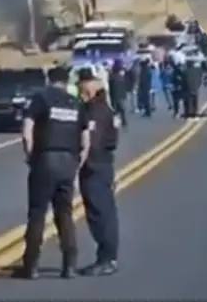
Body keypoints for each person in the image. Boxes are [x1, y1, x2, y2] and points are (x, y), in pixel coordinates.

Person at [15, 65, 91, 280]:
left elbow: (26, 129)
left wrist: (30, 156)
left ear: (49, 79)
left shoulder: (41, 99)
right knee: (64, 214)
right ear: (66, 82)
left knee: (37, 213)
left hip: (45, 159)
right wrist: (77, 165)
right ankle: (69, 264)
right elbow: (86, 140)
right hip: (68, 161)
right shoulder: (75, 104)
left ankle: (31, 265)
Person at [76, 75, 121, 276]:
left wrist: (77, 166)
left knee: (100, 214)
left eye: (84, 91)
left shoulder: (96, 112)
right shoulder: (104, 109)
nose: (81, 95)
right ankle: (107, 257)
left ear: (92, 90)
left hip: (95, 167)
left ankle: (107, 258)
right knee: (103, 213)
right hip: (103, 165)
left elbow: (91, 143)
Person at [107, 61, 130, 132]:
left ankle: (116, 125)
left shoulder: (111, 77)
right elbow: (125, 86)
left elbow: (111, 88)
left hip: (114, 96)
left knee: (115, 111)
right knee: (122, 110)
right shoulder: (121, 77)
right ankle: (124, 122)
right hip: (121, 95)